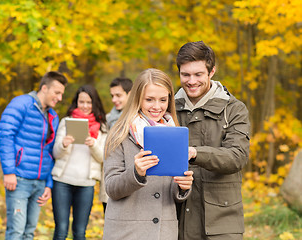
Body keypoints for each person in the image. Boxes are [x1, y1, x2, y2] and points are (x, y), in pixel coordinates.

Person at [103, 68, 194, 240]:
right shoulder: (119, 134)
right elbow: (111, 188)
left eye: (163, 100)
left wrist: (183, 187)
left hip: (163, 231)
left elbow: (170, 191)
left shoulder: (175, 133)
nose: (157, 106)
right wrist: (136, 173)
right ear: (138, 98)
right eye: (149, 99)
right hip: (126, 232)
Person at [175, 41, 250, 240]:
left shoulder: (234, 109)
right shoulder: (168, 109)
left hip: (222, 221)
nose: (191, 81)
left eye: (198, 74)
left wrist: (196, 153)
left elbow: (237, 156)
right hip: (178, 218)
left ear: (212, 71)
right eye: (185, 75)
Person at [0, 71, 67, 239]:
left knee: (29, 232)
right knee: (16, 232)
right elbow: (5, 135)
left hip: (40, 183)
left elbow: (50, 152)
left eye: (62, 94)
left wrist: (48, 184)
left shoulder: (53, 116)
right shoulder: (21, 104)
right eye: (56, 92)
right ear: (44, 88)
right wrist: (9, 172)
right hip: (19, 180)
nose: (60, 98)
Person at [51, 85, 107, 240]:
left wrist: (93, 144)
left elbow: (102, 158)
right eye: (81, 102)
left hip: (86, 184)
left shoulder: (101, 127)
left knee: (80, 232)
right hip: (62, 182)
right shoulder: (66, 122)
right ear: (76, 102)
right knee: (61, 230)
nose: (85, 106)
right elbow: (55, 153)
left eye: (89, 102)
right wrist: (64, 144)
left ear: (94, 104)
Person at [102, 77, 133, 213]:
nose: (114, 100)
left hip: (132, 179)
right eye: (112, 96)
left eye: (118, 95)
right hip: (112, 177)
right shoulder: (108, 119)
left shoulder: (138, 119)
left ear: (130, 94)